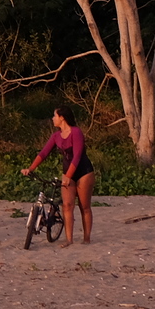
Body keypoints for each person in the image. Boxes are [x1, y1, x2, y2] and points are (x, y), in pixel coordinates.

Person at [22, 105, 95, 245]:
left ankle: (86, 238)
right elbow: (43, 153)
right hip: (67, 172)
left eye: (55, 116)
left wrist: (69, 176)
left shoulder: (76, 132)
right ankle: (69, 239)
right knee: (67, 205)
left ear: (62, 117)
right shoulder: (56, 136)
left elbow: (77, 155)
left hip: (84, 172)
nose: (53, 118)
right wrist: (30, 168)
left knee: (84, 206)